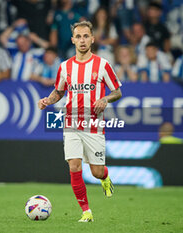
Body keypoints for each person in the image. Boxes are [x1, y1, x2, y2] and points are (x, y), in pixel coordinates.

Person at [38, 21, 122, 222]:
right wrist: (48, 100)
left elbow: (117, 91)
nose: (82, 40)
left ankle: (105, 177)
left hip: (94, 126)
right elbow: (59, 91)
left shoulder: (102, 65)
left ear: (92, 39)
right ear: (73, 40)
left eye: (86, 36)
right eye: (78, 36)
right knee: (74, 166)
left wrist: (105, 99)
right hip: (72, 124)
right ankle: (86, 212)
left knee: (96, 171)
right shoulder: (65, 66)